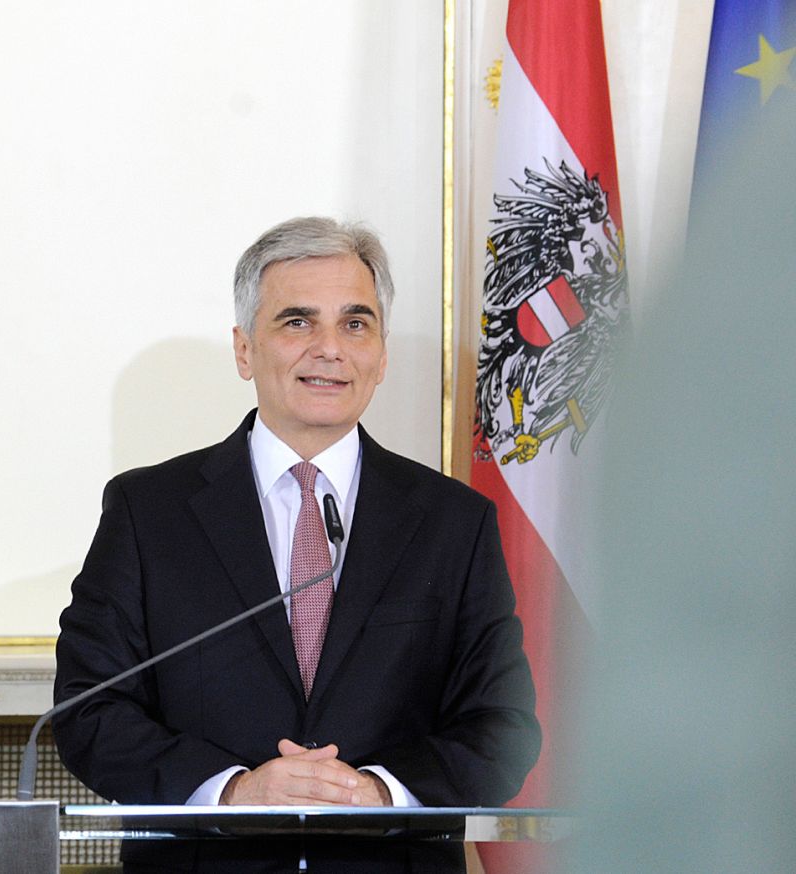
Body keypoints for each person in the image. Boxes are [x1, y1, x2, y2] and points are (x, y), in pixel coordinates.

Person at [52, 217, 539, 872]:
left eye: (356, 323)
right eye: (298, 322)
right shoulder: (149, 512)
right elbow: (90, 711)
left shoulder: (455, 522)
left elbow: (501, 725)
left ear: (382, 353)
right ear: (245, 349)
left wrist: (377, 795)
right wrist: (230, 792)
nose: (330, 348)